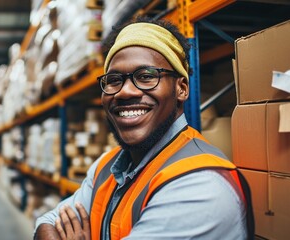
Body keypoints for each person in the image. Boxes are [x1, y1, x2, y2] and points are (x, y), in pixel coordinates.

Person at [34, 16, 254, 240]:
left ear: (182, 89)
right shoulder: (105, 169)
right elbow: (46, 223)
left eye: (146, 76)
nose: (124, 92)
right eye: (114, 79)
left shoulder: (201, 186)